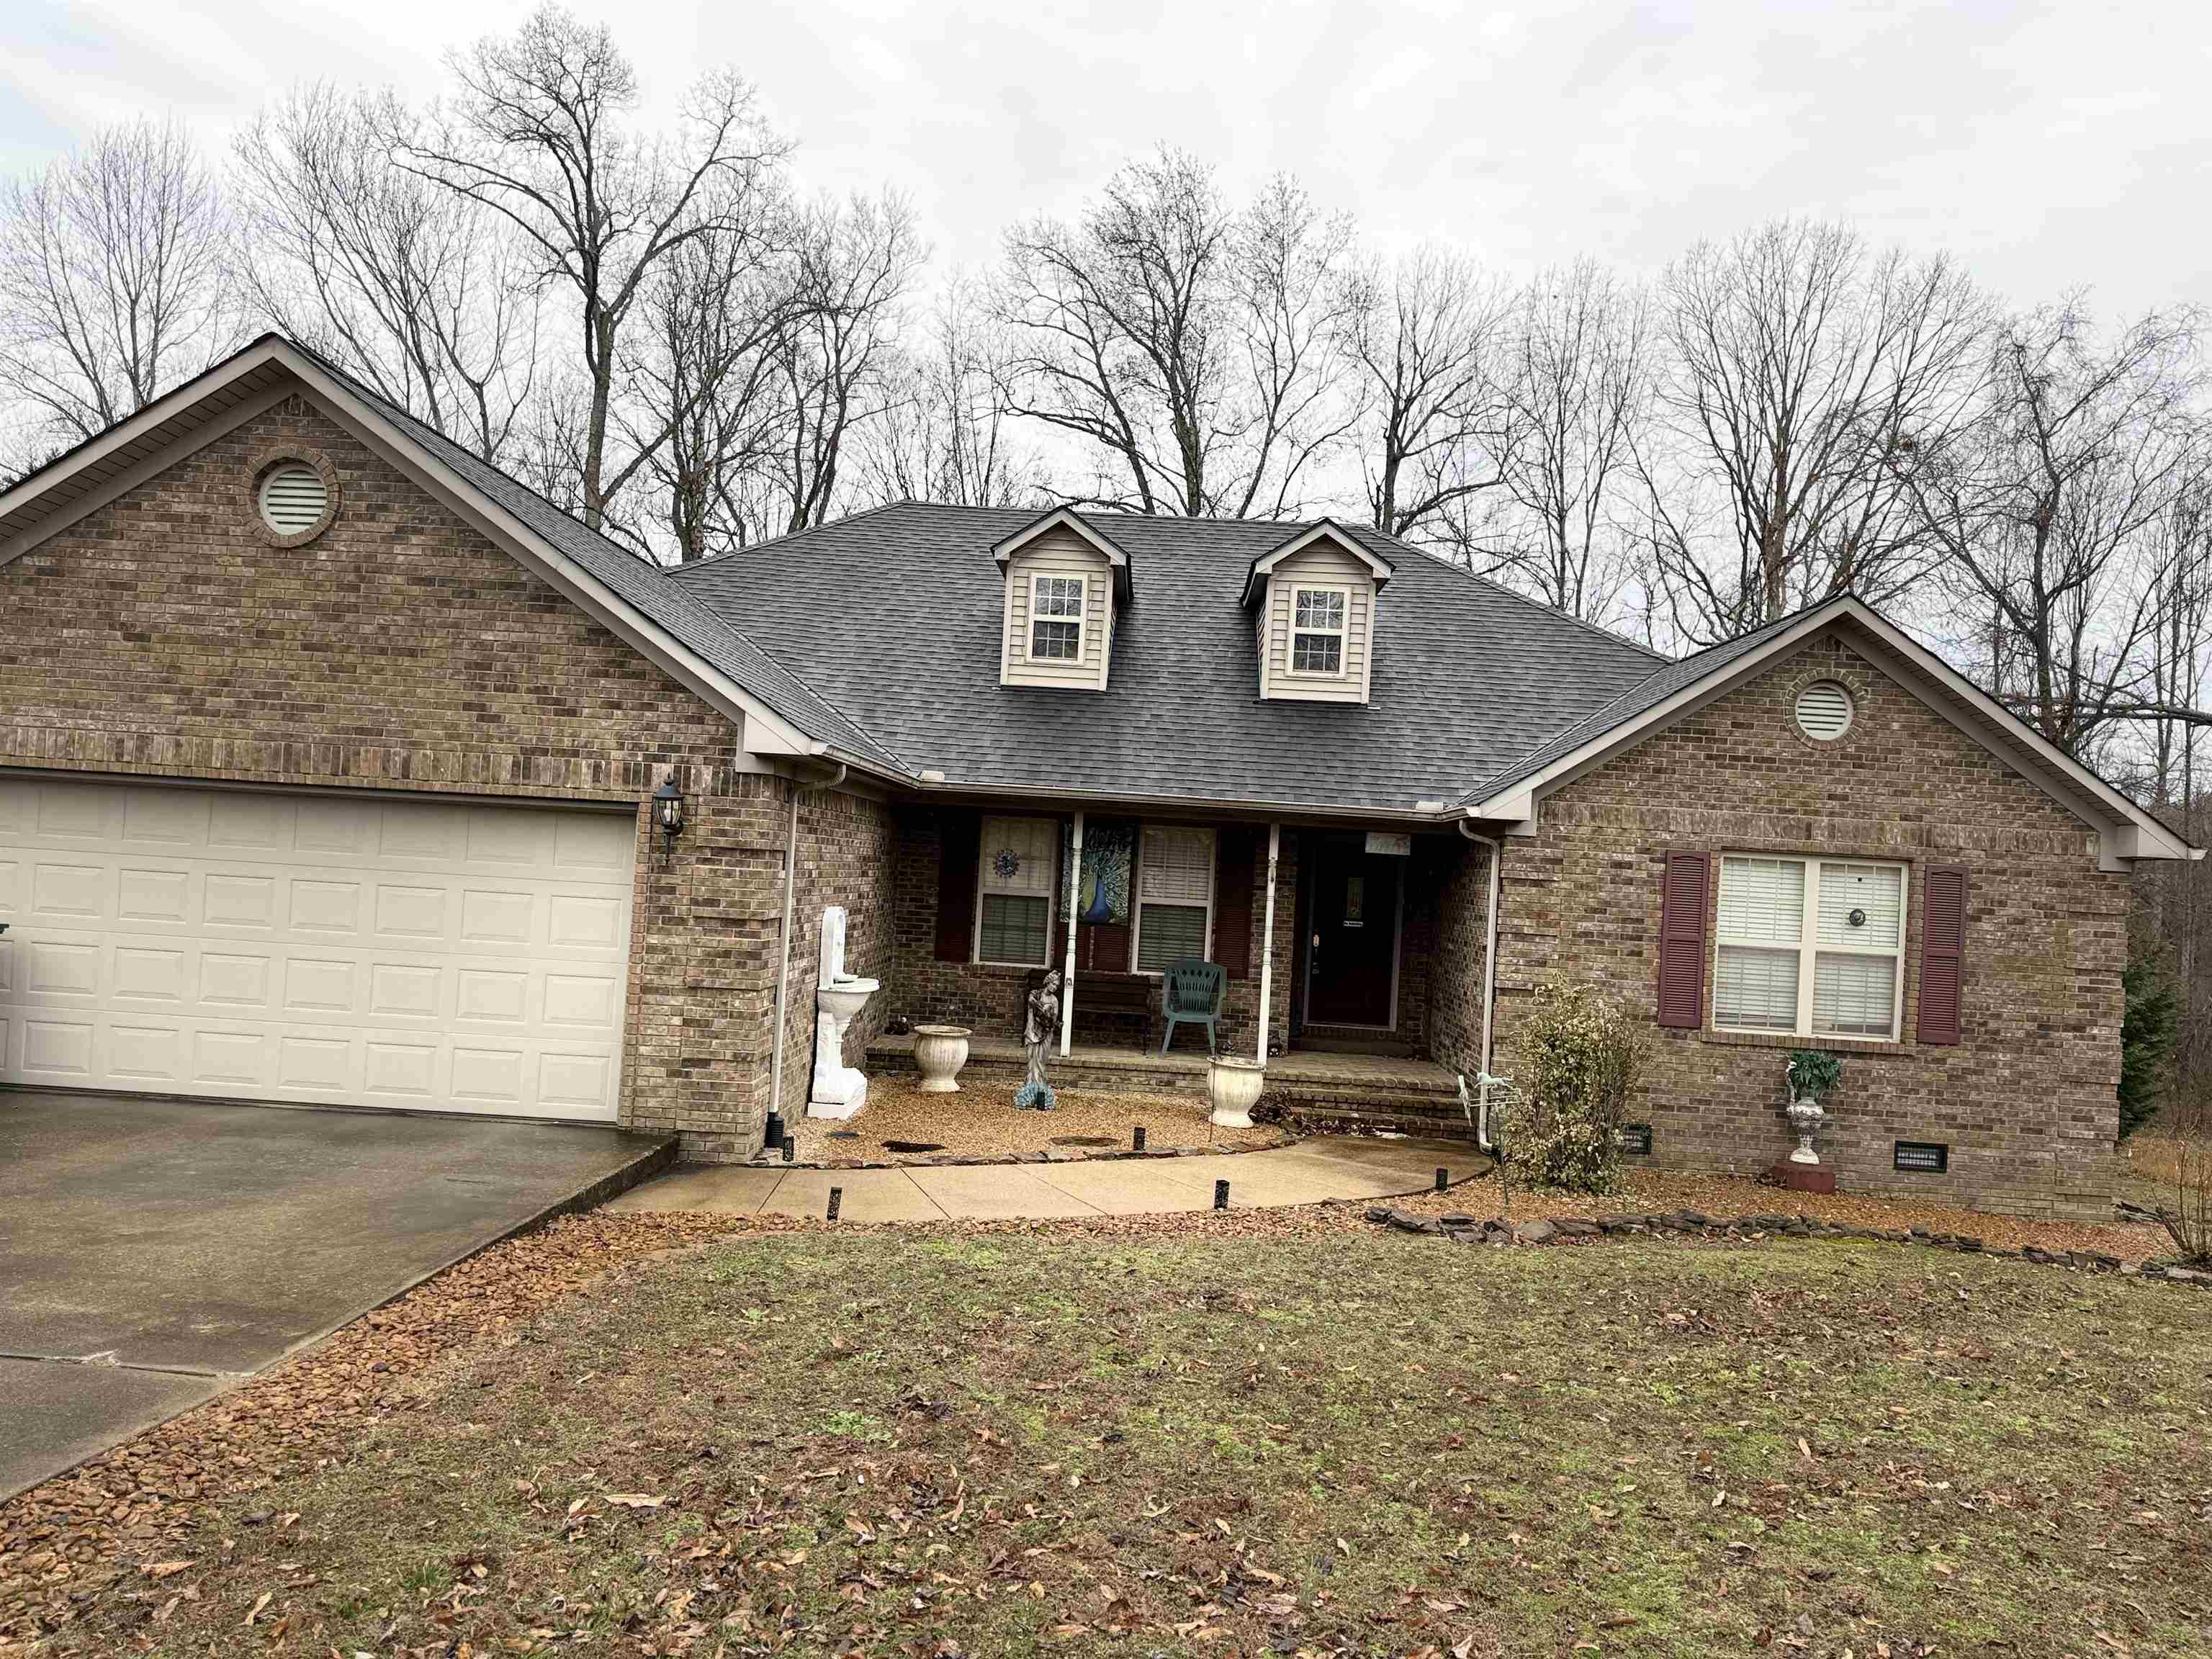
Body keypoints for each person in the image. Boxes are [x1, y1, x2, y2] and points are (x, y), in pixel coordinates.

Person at [1017, 968, 1060, 1110]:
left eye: (1057, 986)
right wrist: (1039, 1008)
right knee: (1032, 1061)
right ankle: (1030, 1090)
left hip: (1046, 1034)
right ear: (1048, 982)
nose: (1054, 987)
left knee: (1041, 1061)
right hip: (1033, 1032)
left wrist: (1047, 1020)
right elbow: (1030, 1000)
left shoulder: (1054, 1000)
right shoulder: (1036, 994)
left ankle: (1041, 1088)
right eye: (1053, 984)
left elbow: (1053, 1020)